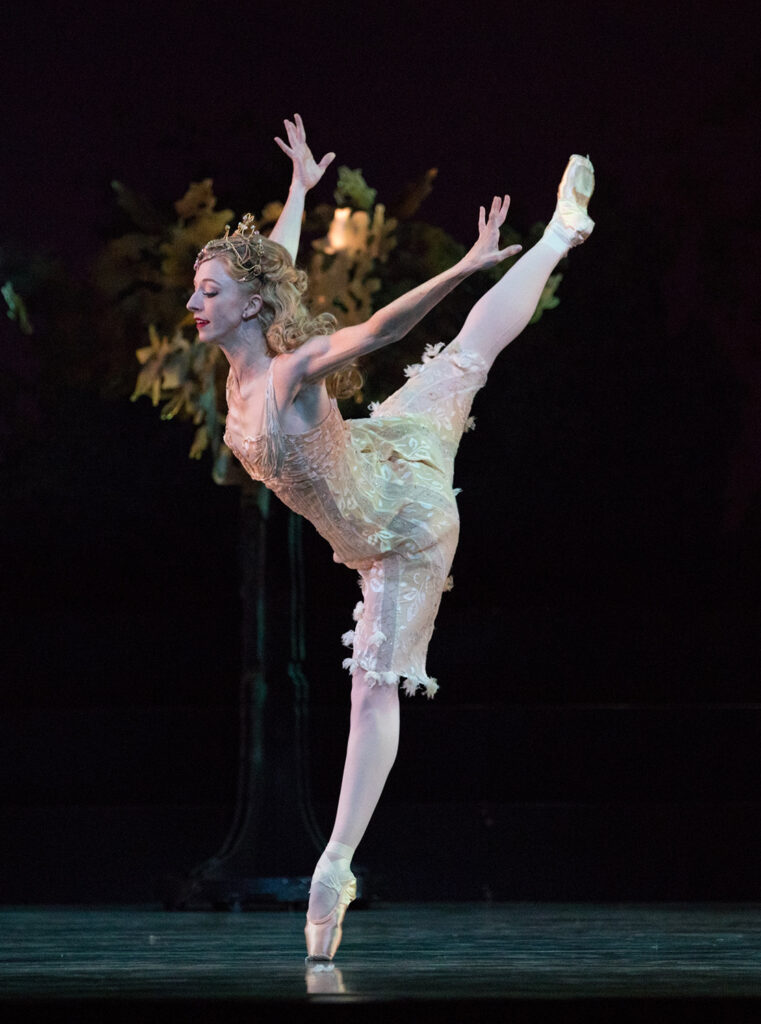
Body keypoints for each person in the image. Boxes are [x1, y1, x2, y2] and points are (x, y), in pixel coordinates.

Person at [187, 115, 594, 960]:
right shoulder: (244, 367)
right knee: (468, 358)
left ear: (247, 307)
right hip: (385, 450)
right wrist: (299, 190)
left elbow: (377, 332)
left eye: (208, 291)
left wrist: (462, 264)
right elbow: (276, 269)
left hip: (403, 526)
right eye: (197, 288)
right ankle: (560, 234)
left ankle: (333, 867)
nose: (193, 301)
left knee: (371, 688)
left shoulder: (291, 375)